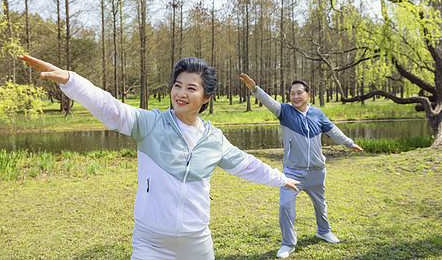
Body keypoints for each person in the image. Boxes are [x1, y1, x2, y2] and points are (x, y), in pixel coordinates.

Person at [19, 54, 300, 260]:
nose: (181, 93)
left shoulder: (213, 138)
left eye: (191, 88)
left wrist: (280, 179)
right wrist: (71, 80)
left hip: (196, 241)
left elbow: (246, 164)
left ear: (205, 98)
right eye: (178, 85)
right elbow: (109, 108)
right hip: (150, 241)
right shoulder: (150, 123)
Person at [240, 73, 364, 259]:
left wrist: (349, 143)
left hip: (316, 171)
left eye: (299, 93)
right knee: (285, 207)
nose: (295, 97)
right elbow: (269, 101)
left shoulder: (317, 114)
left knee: (320, 205)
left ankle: (323, 231)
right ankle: (288, 244)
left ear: (309, 94)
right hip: (292, 172)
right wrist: (255, 89)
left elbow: (333, 130)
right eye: (292, 94)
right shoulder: (285, 112)